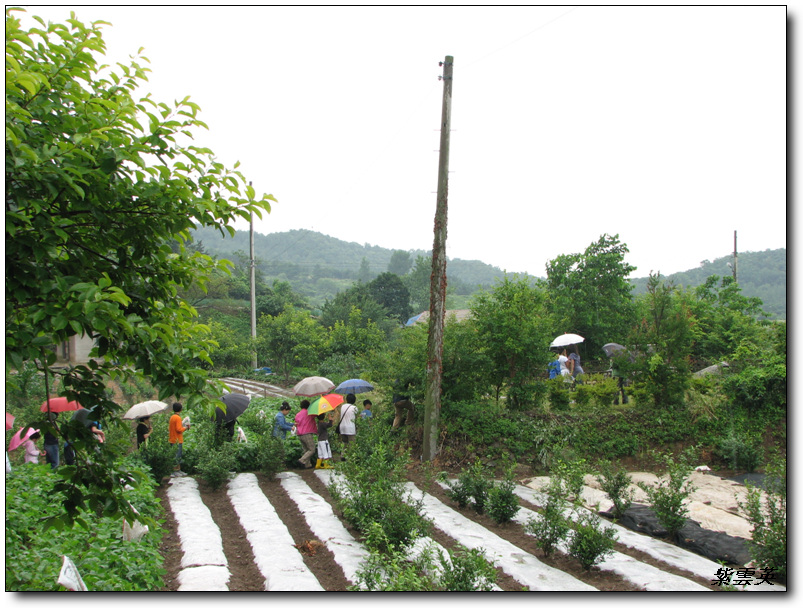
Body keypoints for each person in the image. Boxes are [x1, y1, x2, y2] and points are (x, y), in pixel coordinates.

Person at [294, 400, 317, 469]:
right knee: (312, 449)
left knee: (306, 450)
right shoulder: (309, 413)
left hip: (299, 434)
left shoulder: (298, 414)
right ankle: (301, 460)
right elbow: (317, 415)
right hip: (307, 433)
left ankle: (307, 465)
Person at [169, 402, 190, 476]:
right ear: (181, 409)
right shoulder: (177, 418)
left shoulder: (172, 417)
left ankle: (178, 470)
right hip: (177, 439)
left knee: (177, 455)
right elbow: (179, 429)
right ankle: (174, 471)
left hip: (172, 438)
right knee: (177, 456)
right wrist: (186, 427)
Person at [337, 394, 358, 460]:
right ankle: (352, 457)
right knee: (352, 443)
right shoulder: (354, 408)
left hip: (342, 427)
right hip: (350, 428)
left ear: (346, 399)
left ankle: (343, 456)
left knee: (344, 442)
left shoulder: (343, 406)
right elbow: (356, 416)